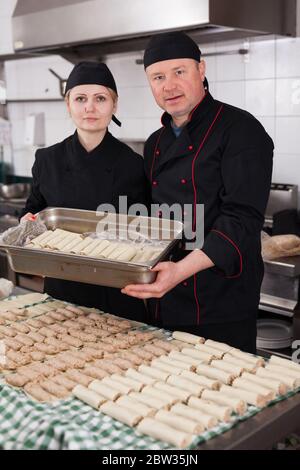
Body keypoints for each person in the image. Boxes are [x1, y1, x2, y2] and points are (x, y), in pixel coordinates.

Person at [122, 32, 274, 352]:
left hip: (221, 302)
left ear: (201, 70)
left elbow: (242, 218)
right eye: (158, 77)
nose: (170, 86)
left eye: (180, 72)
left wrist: (181, 270)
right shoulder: (155, 143)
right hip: (164, 296)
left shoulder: (241, 130)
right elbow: (153, 218)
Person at [21, 61, 148, 321]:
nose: (90, 107)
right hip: (61, 287)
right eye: (80, 98)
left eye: (100, 98)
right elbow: (34, 207)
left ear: (114, 105)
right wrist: (27, 220)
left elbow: (146, 231)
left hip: (118, 291)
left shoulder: (134, 165)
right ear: (68, 105)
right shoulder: (47, 159)